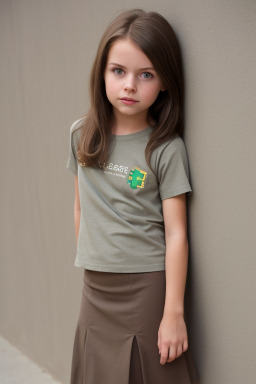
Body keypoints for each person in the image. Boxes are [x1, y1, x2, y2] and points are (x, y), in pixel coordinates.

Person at [66, 8, 199, 384]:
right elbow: (80, 206)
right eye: (118, 71)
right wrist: (95, 254)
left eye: (146, 75)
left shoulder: (165, 148)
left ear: (164, 82)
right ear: (102, 72)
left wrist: (173, 312)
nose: (129, 86)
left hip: (146, 285)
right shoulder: (81, 135)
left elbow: (176, 235)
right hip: (95, 284)